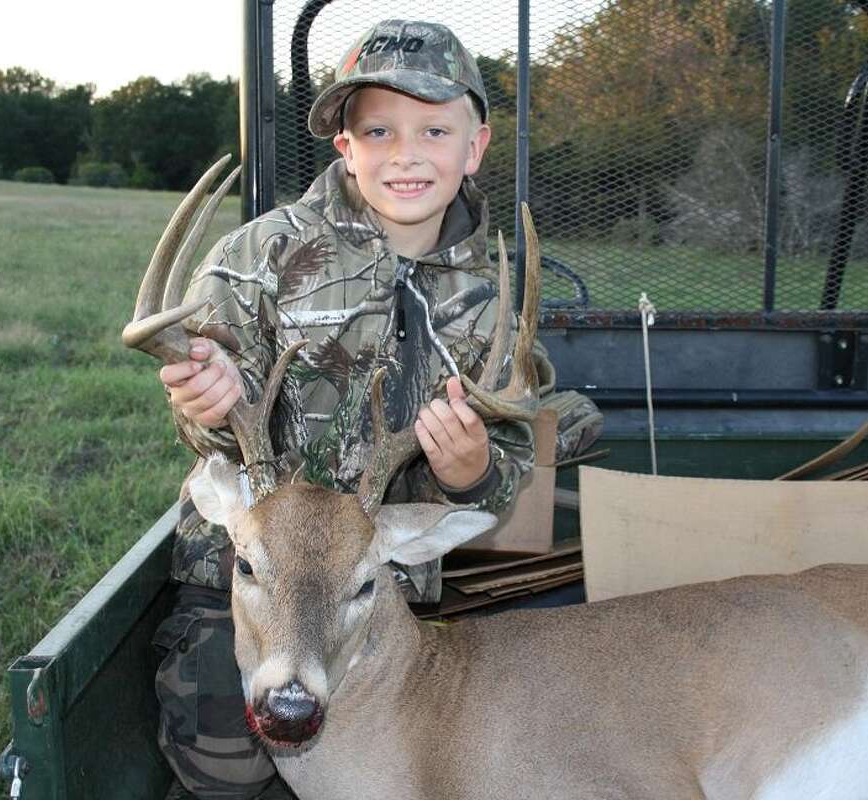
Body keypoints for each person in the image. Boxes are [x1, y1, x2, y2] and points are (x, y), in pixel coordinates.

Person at [149, 19, 589, 799]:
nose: (406, 152)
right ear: (344, 145)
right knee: (221, 767)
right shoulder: (260, 256)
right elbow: (204, 409)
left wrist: (472, 470)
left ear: (475, 146)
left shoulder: (494, 301)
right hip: (250, 577)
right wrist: (205, 401)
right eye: (378, 129)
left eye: (434, 129)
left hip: (382, 588)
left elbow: (513, 457)